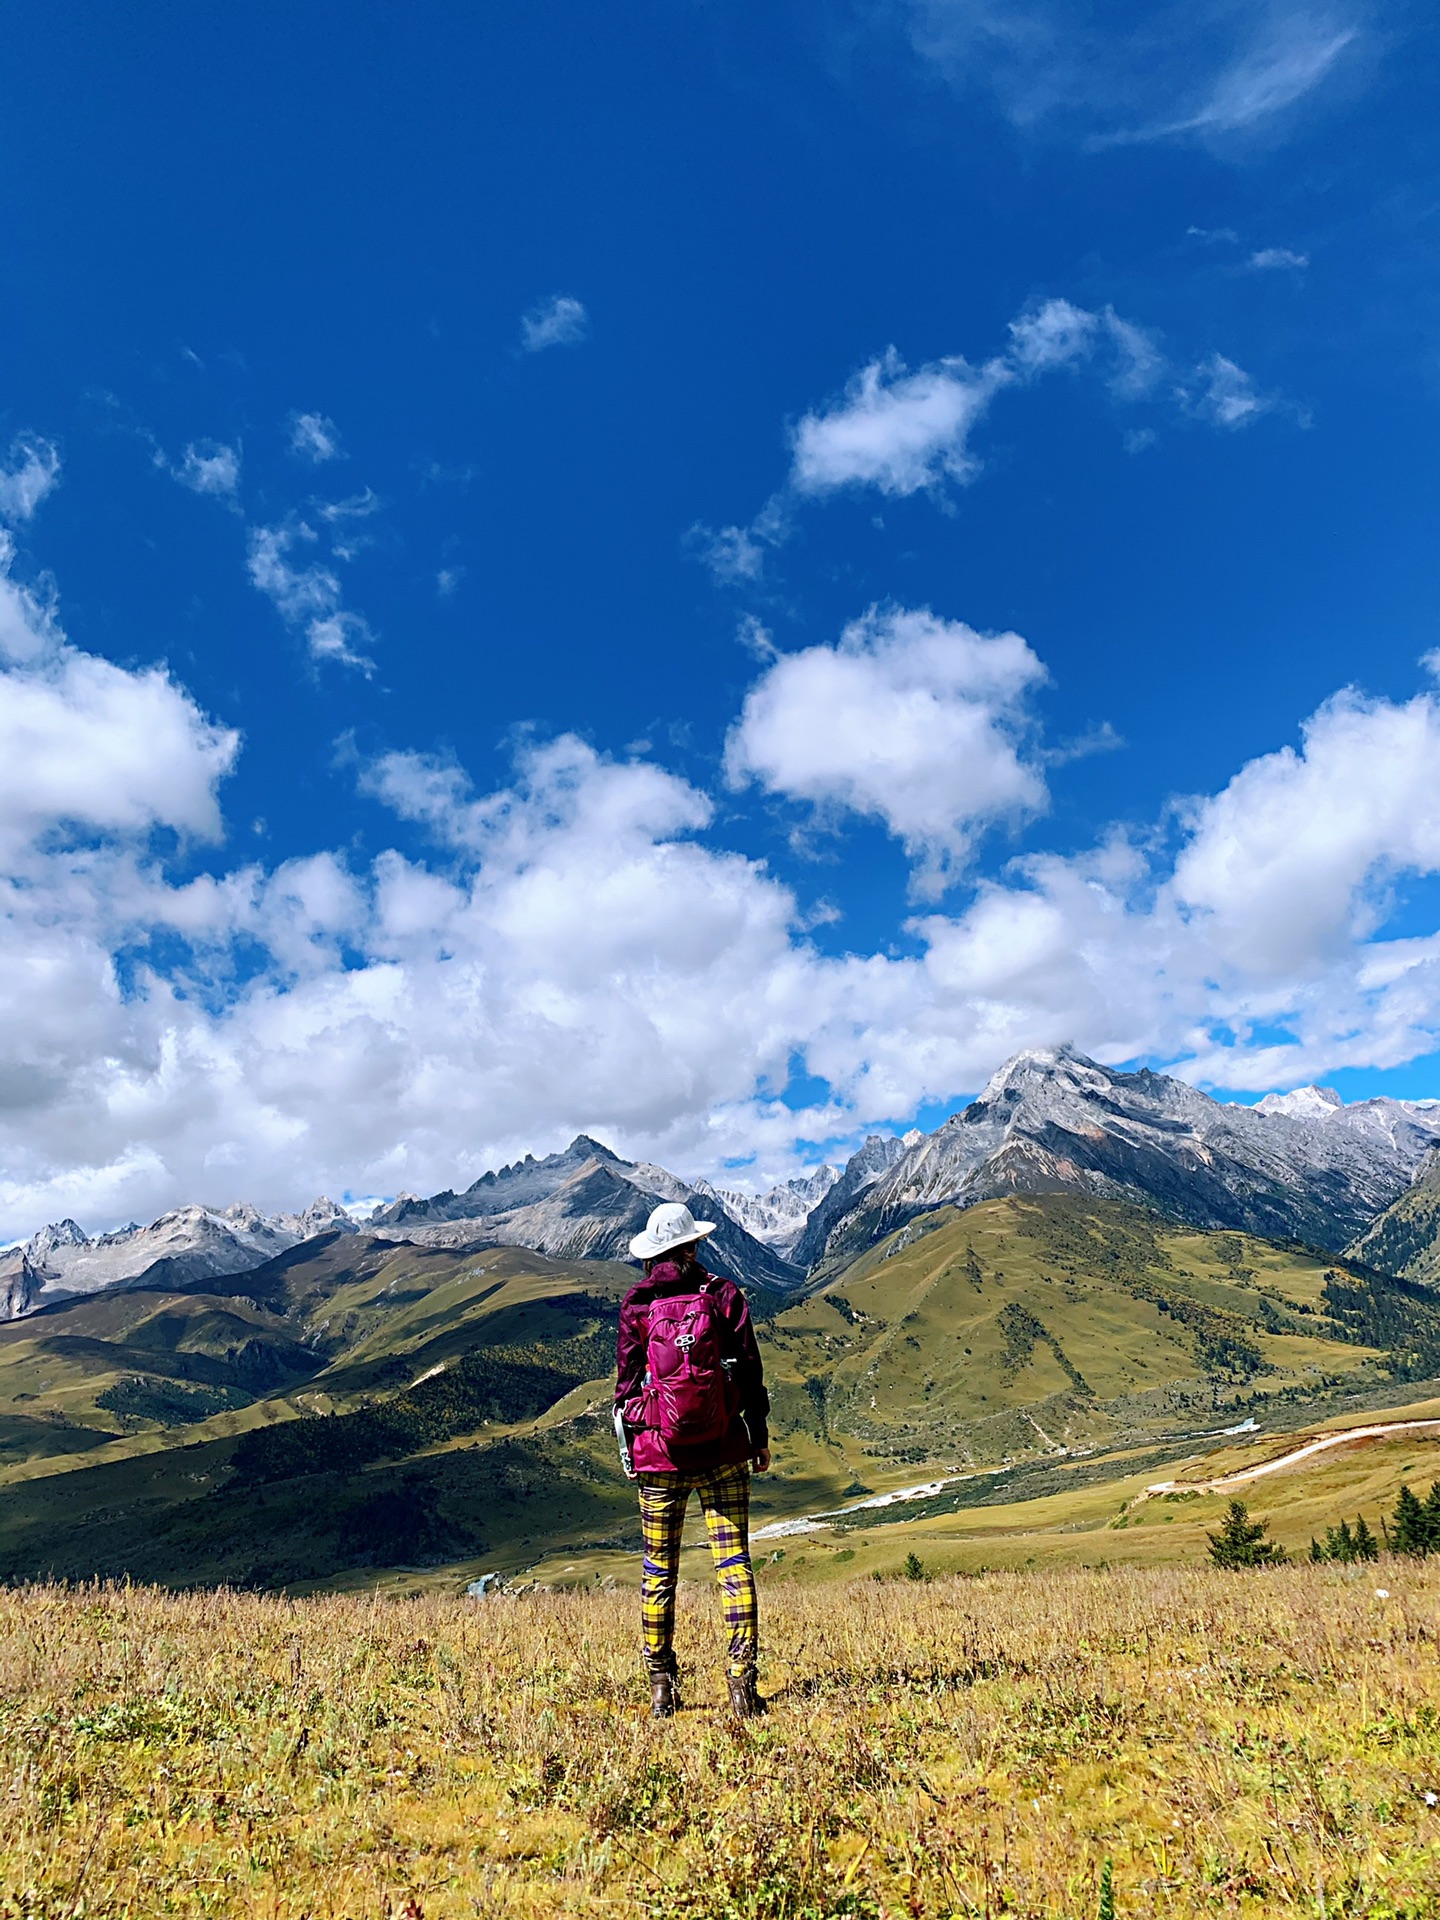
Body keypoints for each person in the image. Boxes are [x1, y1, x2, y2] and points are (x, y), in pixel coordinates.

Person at [614, 1200, 771, 1719]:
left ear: (651, 1252)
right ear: (693, 1246)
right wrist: (757, 1435)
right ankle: (742, 1686)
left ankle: (662, 1686)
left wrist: (640, 1434)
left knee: (658, 1571)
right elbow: (750, 1372)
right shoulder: (722, 1294)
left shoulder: (637, 1304)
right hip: (724, 1450)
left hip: (659, 1458)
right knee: (733, 1564)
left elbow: (626, 1386)